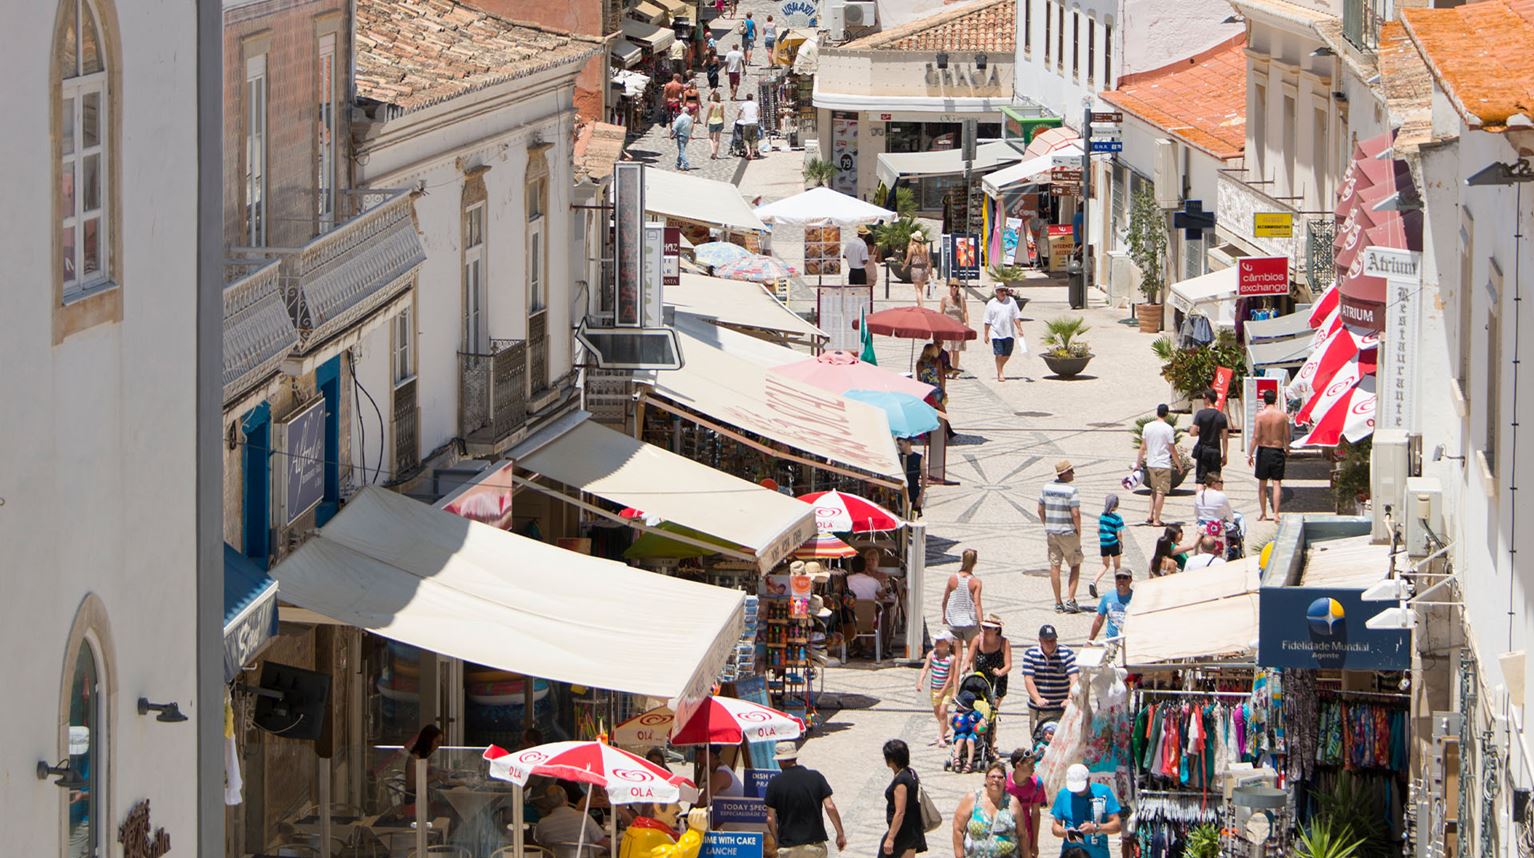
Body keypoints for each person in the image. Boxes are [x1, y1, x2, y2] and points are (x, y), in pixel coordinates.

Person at [765, 741, 848, 857]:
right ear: (795, 758)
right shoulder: (816, 777)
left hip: (789, 847)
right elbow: (830, 806)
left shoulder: (774, 783)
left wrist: (777, 840)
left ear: (780, 760)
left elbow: (770, 818)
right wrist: (840, 833)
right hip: (814, 846)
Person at [1038, 460, 1084, 613]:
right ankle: (1071, 599)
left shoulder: (1046, 488)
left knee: (1055, 566)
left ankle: (1058, 602)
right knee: (1075, 564)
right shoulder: (1072, 490)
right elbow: (1075, 513)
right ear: (1064, 473)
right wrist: (1078, 531)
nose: (1073, 473)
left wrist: (1047, 524)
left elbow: (1040, 509)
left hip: (1052, 532)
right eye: (1071, 471)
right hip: (1068, 532)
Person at [952, 762, 1023, 858]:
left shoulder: (1013, 803)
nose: (996, 780)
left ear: (1005, 781)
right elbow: (958, 829)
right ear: (986, 780)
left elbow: (1022, 835)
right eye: (992, 776)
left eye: (1000, 777)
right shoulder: (972, 799)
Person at [1049, 764, 1121, 858]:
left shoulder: (1104, 792)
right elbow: (1055, 826)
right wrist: (1066, 832)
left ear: (1089, 780)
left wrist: (1096, 828)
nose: (1078, 792)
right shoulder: (1063, 795)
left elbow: (1116, 825)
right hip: (1071, 853)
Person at [1020, 624, 1078, 732]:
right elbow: (1028, 679)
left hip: (1061, 706)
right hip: (1039, 707)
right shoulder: (1030, 654)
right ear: (1040, 640)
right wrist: (1037, 698)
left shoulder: (1067, 653)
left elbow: (1074, 678)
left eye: (1053, 640)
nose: (1050, 644)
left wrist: (1070, 698)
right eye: (1047, 641)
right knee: (1038, 739)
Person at [881, 739, 927, 858]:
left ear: (892, 759)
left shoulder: (901, 782)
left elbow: (900, 812)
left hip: (902, 832)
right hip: (913, 829)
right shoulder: (911, 773)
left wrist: (890, 838)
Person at [535, 783, 611, 854]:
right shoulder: (584, 818)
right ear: (566, 799)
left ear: (546, 803)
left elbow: (541, 846)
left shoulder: (542, 823)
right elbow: (603, 842)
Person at [1249, 388, 1289, 522]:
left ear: (1264, 400)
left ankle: (1264, 513)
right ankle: (1276, 513)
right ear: (1275, 399)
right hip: (1277, 450)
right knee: (1277, 483)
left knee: (1262, 484)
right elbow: (1287, 436)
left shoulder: (1260, 416)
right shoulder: (1283, 416)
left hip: (1264, 450)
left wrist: (1250, 454)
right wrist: (1287, 448)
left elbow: (1256, 436)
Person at [1136, 404, 1176, 527]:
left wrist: (1138, 462)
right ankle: (1157, 519)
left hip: (1151, 463)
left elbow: (1143, 447)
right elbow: (1172, 449)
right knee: (1160, 492)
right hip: (1163, 464)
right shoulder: (1168, 428)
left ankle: (1150, 515)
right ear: (1167, 414)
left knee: (1154, 490)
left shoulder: (1147, 427)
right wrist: (1179, 465)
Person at [941, 549, 984, 664]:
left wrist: (944, 615)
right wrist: (981, 623)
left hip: (954, 621)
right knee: (972, 654)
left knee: (956, 656)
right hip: (970, 622)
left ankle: (956, 680)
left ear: (962, 559)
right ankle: (973, 678)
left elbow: (945, 599)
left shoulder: (952, 579)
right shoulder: (976, 582)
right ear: (975, 562)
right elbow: (977, 604)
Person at [965, 615, 1012, 716]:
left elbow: (1008, 665)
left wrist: (1000, 672)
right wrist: (966, 666)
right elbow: (968, 658)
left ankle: (991, 730)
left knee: (990, 713)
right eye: (984, 627)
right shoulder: (977, 640)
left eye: (988, 628)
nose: (985, 630)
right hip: (980, 680)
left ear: (996, 629)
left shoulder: (1004, 642)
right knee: (978, 711)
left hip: (997, 681)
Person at [1005, 749, 1047, 858]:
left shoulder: (1037, 784)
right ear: (1018, 766)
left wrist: (1035, 843)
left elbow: (1035, 813)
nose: (1034, 767)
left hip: (1026, 832)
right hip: (1005, 831)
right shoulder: (1004, 782)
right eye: (1030, 765)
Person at [917, 631, 957, 746]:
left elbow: (950, 677)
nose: (937, 643)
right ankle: (944, 727)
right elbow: (925, 669)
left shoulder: (951, 658)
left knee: (943, 711)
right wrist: (920, 681)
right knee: (936, 711)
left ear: (947, 644)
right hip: (934, 688)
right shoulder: (931, 654)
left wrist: (943, 692)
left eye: (940, 641)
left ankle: (941, 737)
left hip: (946, 689)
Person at [1187, 388, 1229, 488]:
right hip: (1215, 451)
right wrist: (1225, 454)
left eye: (1204, 398)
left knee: (1200, 481)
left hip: (1203, 450)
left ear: (1208, 399)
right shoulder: (1222, 416)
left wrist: (1199, 432)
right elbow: (1225, 438)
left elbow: (1192, 432)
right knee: (1216, 478)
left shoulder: (1200, 414)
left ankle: (1200, 502)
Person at [982, 285, 1025, 382]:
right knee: (999, 354)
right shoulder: (991, 303)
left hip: (1009, 332)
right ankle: (1000, 373)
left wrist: (1019, 328)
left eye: (1004, 290)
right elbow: (987, 320)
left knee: (1007, 354)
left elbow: (1016, 316)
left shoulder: (1011, 301)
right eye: (1000, 290)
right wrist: (986, 334)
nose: (1003, 292)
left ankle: (999, 367)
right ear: (996, 292)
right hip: (996, 333)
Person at [1087, 495, 1124, 598]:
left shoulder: (1102, 516)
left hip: (1104, 544)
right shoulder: (1117, 518)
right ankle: (1119, 588)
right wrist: (1120, 543)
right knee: (1117, 566)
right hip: (1114, 543)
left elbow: (1098, 530)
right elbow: (1119, 534)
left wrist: (1103, 538)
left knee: (1105, 565)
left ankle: (1094, 581)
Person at [1192, 472, 1234, 554]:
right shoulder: (1221, 496)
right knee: (1218, 555)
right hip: (1217, 529)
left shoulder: (1199, 495)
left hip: (1202, 529)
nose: (1223, 484)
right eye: (1221, 482)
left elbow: (1196, 513)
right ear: (1214, 483)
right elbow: (1230, 515)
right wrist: (1230, 521)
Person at [1089, 569, 1133, 642]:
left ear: (1130, 580)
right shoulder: (1108, 597)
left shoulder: (1135, 597)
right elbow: (1098, 621)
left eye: (1125, 577)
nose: (1121, 580)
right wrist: (1090, 640)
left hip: (1130, 640)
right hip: (1112, 641)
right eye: (1118, 577)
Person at [939, 281, 971, 373]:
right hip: (947, 327)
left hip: (958, 326)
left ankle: (955, 371)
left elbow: (965, 311)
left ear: (958, 287)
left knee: (956, 350)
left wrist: (966, 323)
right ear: (949, 287)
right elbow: (941, 312)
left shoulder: (961, 298)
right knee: (948, 350)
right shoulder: (945, 298)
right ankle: (947, 370)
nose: (954, 287)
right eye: (952, 285)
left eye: (956, 286)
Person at [904, 234, 932, 307]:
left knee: (917, 290)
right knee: (921, 288)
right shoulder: (925, 248)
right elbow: (928, 261)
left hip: (916, 269)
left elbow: (907, 261)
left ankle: (922, 306)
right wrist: (931, 272)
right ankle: (918, 303)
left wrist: (903, 268)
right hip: (924, 269)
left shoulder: (912, 248)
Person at [898, 436, 924, 515]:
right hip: (900, 494)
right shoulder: (898, 458)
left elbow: (924, 478)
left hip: (914, 493)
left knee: (913, 518)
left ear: (908, 443)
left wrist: (921, 496)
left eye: (900, 444)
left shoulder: (919, 458)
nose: (899, 447)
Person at [738, 93, 761, 159]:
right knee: (754, 138)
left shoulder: (744, 104)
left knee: (746, 138)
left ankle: (748, 152)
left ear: (746, 98)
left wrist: (738, 117)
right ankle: (752, 153)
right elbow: (759, 112)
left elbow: (740, 111)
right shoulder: (755, 104)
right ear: (752, 98)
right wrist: (758, 117)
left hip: (747, 123)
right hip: (754, 123)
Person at [705, 91, 726, 159]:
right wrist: (723, 122)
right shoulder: (722, 105)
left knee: (711, 138)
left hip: (712, 121)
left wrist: (706, 121)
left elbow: (709, 113)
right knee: (717, 139)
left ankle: (713, 152)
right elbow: (722, 115)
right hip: (719, 121)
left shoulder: (712, 104)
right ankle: (716, 154)